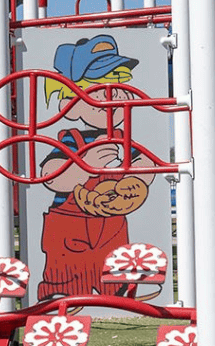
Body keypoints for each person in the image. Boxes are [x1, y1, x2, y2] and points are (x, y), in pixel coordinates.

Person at [38, 34, 152, 300]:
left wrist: (133, 182)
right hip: (70, 222)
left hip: (111, 220)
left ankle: (120, 290)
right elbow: (50, 173)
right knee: (65, 271)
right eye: (99, 89)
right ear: (70, 104)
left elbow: (145, 162)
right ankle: (61, 293)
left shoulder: (123, 138)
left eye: (120, 86)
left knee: (113, 262)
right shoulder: (73, 138)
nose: (112, 96)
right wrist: (83, 166)